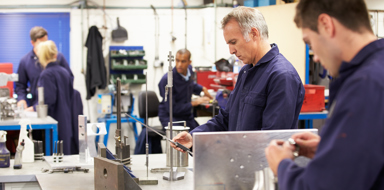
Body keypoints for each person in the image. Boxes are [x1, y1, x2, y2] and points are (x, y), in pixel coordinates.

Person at [265, 0, 384, 189]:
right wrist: (331, 149)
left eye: (310, 42)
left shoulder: (364, 85)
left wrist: (282, 166)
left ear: (326, 25)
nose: (316, 57)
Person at [171, 6, 305, 152]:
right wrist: (194, 137)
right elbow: (226, 118)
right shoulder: (247, 71)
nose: (231, 51)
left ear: (254, 33)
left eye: (233, 42)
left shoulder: (281, 76)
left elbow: (272, 141)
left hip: (263, 171)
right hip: (241, 166)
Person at [134, 49, 213, 154]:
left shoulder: (189, 72)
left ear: (189, 62)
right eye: (177, 60)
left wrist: (203, 89)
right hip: (170, 116)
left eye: (183, 61)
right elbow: (173, 109)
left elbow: (190, 85)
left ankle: (198, 164)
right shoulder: (167, 80)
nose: (179, 64)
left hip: (185, 115)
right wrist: (194, 103)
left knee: (201, 136)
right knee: (180, 141)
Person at [25, 40, 78, 155]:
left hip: (54, 124)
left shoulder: (46, 74)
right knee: (65, 158)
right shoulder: (65, 72)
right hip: (66, 122)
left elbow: (48, 101)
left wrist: (33, 108)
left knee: (54, 157)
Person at [16, 26, 72, 109]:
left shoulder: (59, 58)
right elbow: (20, 85)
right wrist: (21, 99)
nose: (44, 46)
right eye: (41, 43)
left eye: (46, 42)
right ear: (32, 42)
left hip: (59, 106)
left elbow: (69, 79)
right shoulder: (25, 61)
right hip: (37, 105)